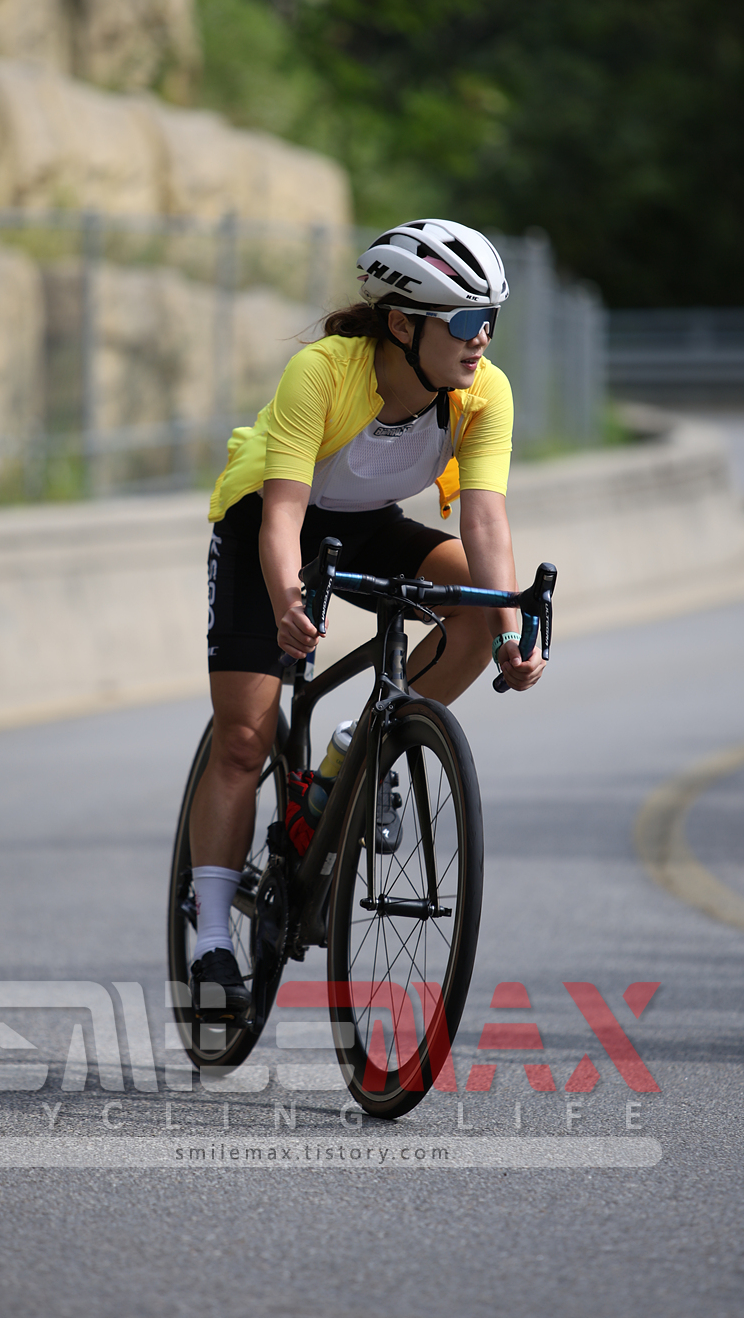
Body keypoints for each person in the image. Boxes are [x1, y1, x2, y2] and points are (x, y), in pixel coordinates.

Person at [189, 217, 547, 1018]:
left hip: (367, 522)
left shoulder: (484, 392)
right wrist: (288, 599)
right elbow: (283, 515)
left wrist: (510, 633)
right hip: (266, 525)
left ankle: (365, 742)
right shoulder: (322, 372)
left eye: (490, 318)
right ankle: (212, 938)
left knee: (477, 605)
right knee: (244, 738)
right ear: (403, 325)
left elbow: (485, 522)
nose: (480, 337)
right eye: (463, 319)